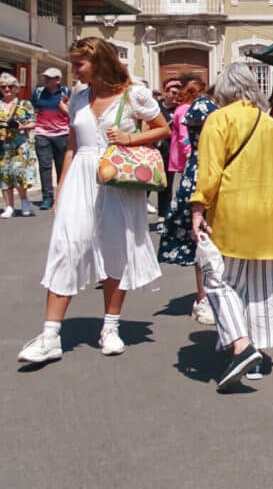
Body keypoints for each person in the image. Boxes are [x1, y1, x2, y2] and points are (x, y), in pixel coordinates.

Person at [18, 37, 170, 364]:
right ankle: (50, 335)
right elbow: (72, 145)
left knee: (115, 246)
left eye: (79, 64)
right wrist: (60, 191)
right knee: (66, 246)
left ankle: (111, 327)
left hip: (116, 177)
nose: (74, 70)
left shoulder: (134, 95)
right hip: (80, 176)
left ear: (99, 62)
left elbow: (163, 129)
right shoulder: (77, 97)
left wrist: (130, 137)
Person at [191, 63, 273, 389]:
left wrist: (198, 207)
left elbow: (209, 173)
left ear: (224, 90)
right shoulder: (272, 125)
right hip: (268, 217)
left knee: (221, 281)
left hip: (233, 214)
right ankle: (256, 356)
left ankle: (242, 345)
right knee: (261, 290)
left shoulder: (219, 119)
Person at [158, 79, 216, 325]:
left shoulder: (207, 108)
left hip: (203, 171)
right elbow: (191, 142)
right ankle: (203, 298)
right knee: (202, 239)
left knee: (208, 240)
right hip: (201, 173)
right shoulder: (204, 109)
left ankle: (211, 296)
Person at [30, 68, 71, 211]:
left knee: (62, 166)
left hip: (62, 134)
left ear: (58, 80)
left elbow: (72, 111)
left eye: (50, 78)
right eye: (45, 77)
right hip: (42, 134)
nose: (46, 80)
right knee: (45, 166)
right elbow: (32, 109)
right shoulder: (38, 93)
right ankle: (47, 197)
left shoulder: (66, 93)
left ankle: (62, 195)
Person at [0, 72, 37, 218]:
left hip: (19, 146)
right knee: (4, 175)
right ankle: (8, 206)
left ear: (15, 88)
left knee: (19, 174)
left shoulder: (24, 104)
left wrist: (20, 126)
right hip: (3, 146)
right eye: (3, 87)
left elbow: (34, 122)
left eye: (10, 86)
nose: (7, 89)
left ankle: (24, 201)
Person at [155, 78, 182, 221]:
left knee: (166, 184)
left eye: (178, 93)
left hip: (169, 151)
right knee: (147, 183)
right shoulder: (155, 107)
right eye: (172, 92)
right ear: (165, 92)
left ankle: (162, 216)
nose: (175, 96)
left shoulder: (179, 109)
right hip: (153, 150)